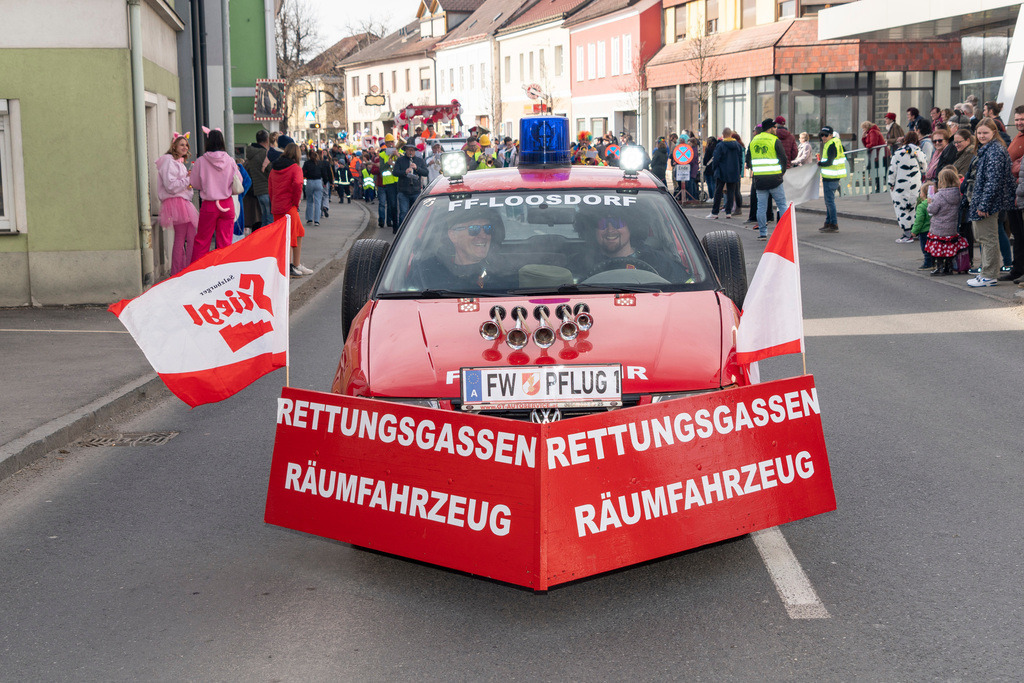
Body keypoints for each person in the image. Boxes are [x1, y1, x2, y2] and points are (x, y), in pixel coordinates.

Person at [965, 117, 1015, 287]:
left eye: (985, 132)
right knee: (983, 238)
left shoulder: (995, 151)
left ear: (994, 132)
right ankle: (986, 273)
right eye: (979, 133)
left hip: (987, 203)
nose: (981, 136)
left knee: (988, 239)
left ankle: (989, 274)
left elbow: (993, 181)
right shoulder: (988, 150)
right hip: (983, 201)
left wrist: (984, 205)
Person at [408, 210, 509, 291]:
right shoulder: (427, 273)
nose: (483, 235)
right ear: (453, 235)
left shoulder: (504, 272)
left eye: (488, 228)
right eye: (474, 229)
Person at [189, 128, 241, 263]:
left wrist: (207, 186)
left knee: (202, 240)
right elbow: (238, 181)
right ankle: (223, 274)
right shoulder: (230, 160)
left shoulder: (201, 161)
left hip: (209, 205)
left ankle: (197, 273)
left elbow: (194, 183)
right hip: (227, 204)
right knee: (225, 242)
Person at [585, 214, 684, 280]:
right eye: (603, 224)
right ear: (593, 230)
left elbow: (686, 289)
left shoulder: (658, 261)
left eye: (617, 223)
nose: (610, 230)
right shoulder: (580, 264)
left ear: (632, 227)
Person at [154, 132, 199, 274]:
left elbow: (182, 185)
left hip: (183, 201)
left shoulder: (179, 162)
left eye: (186, 145)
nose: (185, 147)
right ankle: (179, 271)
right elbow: (171, 185)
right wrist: (188, 180)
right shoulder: (169, 161)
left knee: (192, 236)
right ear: (174, 146)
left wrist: (188, 181)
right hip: (177, 203)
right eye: (182, 144)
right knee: (181, 238)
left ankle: (189, 268)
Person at [267, 142, 310, 278]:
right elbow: (298, 183)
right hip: (289, 207)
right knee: (292, 236)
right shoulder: (295, 168)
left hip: (277, 207)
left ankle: (293, 265)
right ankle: (289, 267)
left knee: (293, 234)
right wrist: (295, 202)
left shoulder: (274, 169)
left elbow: (270, 186)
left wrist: (274, 201)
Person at [747, 118, 789, 240]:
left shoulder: (754, 141)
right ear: (769, 128)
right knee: (781, 205)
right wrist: (782, 172)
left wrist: (755, 169)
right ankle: (784, 231)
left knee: (761, 207)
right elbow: (783, 158)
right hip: (775, 178)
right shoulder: (774, 140)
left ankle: (763, 233)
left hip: (760, 179)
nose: (776, 129)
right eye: (774, 127)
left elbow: (748, 159)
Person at [926, 168, 969, 276]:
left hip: (939, 227)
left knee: (939, 249)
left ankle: (939, 267)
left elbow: (932, 210)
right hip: (952, 226)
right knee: (949, 247)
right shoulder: (957, 195)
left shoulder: (939, 196)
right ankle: (948, 267)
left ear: (941, 181)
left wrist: (929, 203)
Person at [887, 131, 927, 243]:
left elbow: (892, 170)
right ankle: (915, 232)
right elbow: (924, 169)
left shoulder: (899, 153)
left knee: (902, 208)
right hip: (915, 185)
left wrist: (891, 183)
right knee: (914, 207)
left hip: (901, 184)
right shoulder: (919, 152)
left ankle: (906, 233)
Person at [1000, 104, 1024, 281]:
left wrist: (1014, 167)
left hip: (1021, 193)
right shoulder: (1018, 137)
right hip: (1013, 194)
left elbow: (1019, 166)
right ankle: (1017, 270)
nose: (1019, 122)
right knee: (1017, 235)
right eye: (1017, 119)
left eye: (1022, 119)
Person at [706, 128, 743, 219]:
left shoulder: (721, 145)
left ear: (723, 134)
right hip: (734, 171)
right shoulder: (738, 145)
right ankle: (728, 212)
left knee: (718, 192)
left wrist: (715, 169)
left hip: (722, 171)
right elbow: (740, 160)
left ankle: (715, 213)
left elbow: (716, 159)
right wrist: (739, 171)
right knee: (731, 192)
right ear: (731, 134)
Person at [817, 126, 846, 233]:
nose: (823, 137)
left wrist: (820, 163)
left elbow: (829, 162)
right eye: (822, 135)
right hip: (832, 176)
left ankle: (833, 224)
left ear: (831, 135)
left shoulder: (831, 144)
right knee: (829, 201)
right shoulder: (835, 142)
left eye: (825, 135)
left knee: (829, 202)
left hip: (831, 177)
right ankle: (829, 222)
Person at [394, 143, 429, 230]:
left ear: (415, 152)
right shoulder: (400, 160)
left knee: (416, 213)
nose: (410, 152)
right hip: (403, 191)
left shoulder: (419, 161)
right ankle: (402, 232)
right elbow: (395, 172)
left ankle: (415, 230)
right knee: (403, 213)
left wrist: (417, 168)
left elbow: (426, 172)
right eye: (409, 150)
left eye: (412, 150)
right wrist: (404, 172)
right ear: (405, 150)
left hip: (416, 191)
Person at [244, 130, 272, 229]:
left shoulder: (252, 153)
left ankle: (263, 239)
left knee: (264, 217)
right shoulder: (264, 154)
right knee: (269, 219)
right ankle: (267, 240)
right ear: (267, 140)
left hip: (258, 190)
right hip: (266, 188)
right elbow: (271, 170)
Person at [378, 134, 400, 228]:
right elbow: (381, 169)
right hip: (389, 182)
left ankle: (401, 224)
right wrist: (388, 164)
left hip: (399, 181)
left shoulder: (399, 151)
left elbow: (405, 163)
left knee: (401, 205)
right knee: (393, 204)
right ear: (386, 144)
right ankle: (395, 225)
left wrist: (397, 156)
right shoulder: (382, 154)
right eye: (389, 142)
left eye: (393, 142)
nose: (391, 144)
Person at [911, 181, 934, 271]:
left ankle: (928, 263)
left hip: (924, 231)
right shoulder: (934, 203)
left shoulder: (921, 206)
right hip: (933, 230)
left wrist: (914, 231)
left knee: (925, 248)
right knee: (932, 247)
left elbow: (919, 220)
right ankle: (934, 261)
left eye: (921, 192)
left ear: (924, 194)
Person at [301, 149, 325, 226]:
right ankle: (317, 220)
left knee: (309, 201)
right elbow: (323, 173)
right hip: (318, 182)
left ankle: (309, 219)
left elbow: (303, 172)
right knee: (318, 201)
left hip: (310, 182)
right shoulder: (320, 163)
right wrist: (326, 181)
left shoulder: (307, 163)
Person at [319, 149, 334, 217]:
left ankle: (320, 212)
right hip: (325, 181)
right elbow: (329, 173)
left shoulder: (317, 163)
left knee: (319, 196)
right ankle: (325, 206)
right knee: (326, 195)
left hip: (318, 180)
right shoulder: (327, 163)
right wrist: (331, 182)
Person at [702, 136, 718, 202]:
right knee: (714, 183)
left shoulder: (708, 149)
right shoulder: (717, 148)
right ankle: (715, 197)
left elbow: (705, 160)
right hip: (715, 168)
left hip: (708, 169)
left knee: (710, 183)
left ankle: (711, 197)